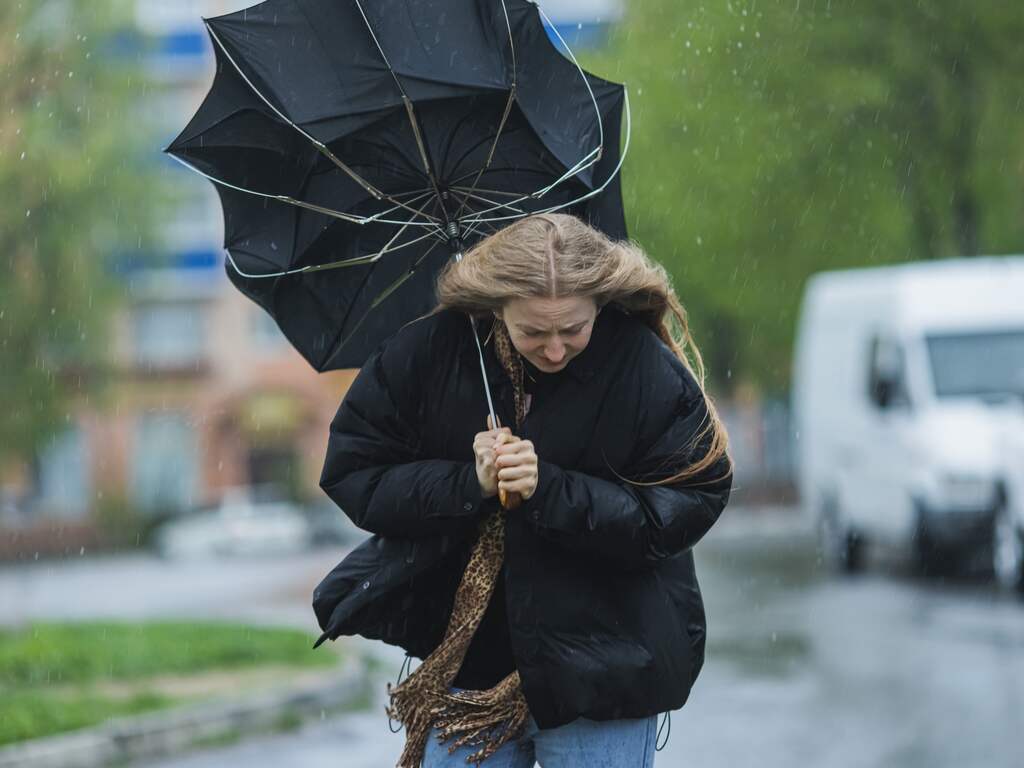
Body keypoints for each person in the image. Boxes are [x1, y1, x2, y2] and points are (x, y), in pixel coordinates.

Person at [314, 212, 734, 767]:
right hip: (466, 676)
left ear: (600, 304)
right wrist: (469, 483)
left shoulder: (640, 366)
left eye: (574, 329)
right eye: (533, 331)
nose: (556, 349)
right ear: (496, 307)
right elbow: (355, 473)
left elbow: (686, 504)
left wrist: (551, 489)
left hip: (604, 674)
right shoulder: (429, 354)